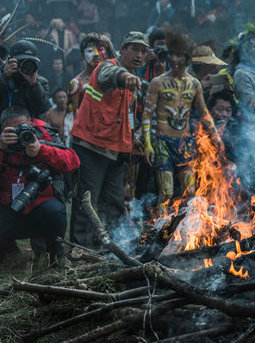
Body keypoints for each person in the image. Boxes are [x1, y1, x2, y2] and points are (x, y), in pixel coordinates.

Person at [68, 31, 148, 248]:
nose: (139, 55)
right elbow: (111, 75)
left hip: (115, 150)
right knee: (88, 201)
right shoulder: (108, 66)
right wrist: (126, 77)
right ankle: (80, 251)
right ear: (122, 50)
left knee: (114, 203)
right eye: (134, 49)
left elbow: (122, 117)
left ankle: (114, 249)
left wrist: (131, 142)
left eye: (143, 51)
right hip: (91, 146)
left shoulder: (133, 85)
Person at [0, 106, 80, 266]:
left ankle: (56, 255)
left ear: (31, 124)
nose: (18, 133)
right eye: (13, 129)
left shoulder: (45, 136)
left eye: (22, 127)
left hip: (42, 208)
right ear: (3, 129)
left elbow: (73, 162)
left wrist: (41, 150)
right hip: (12, 209)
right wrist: (0, 148)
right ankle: (10, 252)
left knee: (56, 211)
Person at [142, 30, 220, 203]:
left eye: (179, 55)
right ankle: (161, 229)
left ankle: (184, 228)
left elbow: (204, 112)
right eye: (171, 54)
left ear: (187, 58)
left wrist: (216, 136)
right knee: (166, 194)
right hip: (162, 142)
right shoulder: (158, 83)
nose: (174, 59)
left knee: (190, 192)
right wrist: (148, 144)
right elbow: (147, 115)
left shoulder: (194, 84)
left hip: (184, 143)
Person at [0, 40, 50, 147]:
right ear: (10, 60)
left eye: (30, 62)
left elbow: (43, 108)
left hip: (25, 141)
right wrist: (4, 76)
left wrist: (33, 84)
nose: (25, 66)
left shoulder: (40, 82)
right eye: (21, 61)